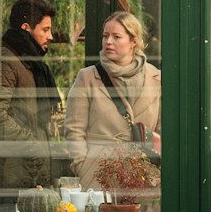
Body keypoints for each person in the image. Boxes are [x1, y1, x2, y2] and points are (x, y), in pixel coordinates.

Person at [0, 0, 61, 204]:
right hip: (9, 178)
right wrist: (32, 145)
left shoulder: (29, 64)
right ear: (26, 28)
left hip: (25, 174)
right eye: (45, 29)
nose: (50, 36)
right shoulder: (5, 63)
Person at [64, 11, 161, 190]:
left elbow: (163, 131)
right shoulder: (87, 77)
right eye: (105, 36)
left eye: (116, 37)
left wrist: (158, 170)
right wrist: (83, 167)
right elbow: (73, 130)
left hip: (144, 175)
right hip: (99, 174)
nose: (108, 42)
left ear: (133, 41)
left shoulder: (156, 78)